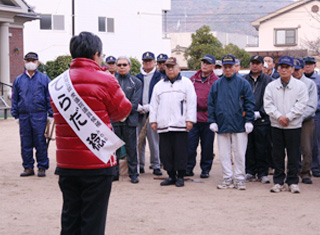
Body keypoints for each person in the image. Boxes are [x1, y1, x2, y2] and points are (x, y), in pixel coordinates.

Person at [50, 32, 132, 234]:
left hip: (67, 163)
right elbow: (122, 111)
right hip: (97, 161)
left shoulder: (57, 84)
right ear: (96, 54)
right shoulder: (106, 80)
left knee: (70, 218)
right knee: (93, 221)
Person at [208, 54, 255, 190]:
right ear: (222, 68)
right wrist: (212, 121)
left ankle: (240, 178)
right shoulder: (217, 85)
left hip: (239, 124)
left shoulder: (243, 83)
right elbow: (211, 104)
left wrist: (249, 120)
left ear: (235, 67)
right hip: (222, 124)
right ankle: (227, 178)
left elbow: (249, 103)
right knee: (224, 154)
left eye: (230, 67)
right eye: (225, 67)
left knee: (240, 153)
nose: (228, 69)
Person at [150, 57, 197, 187]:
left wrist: (190, 120)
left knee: (180, 151)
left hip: (180, 124)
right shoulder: (159, 86)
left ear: (178, 68)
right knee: (166, 152)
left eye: (172, 67)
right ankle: (171, 175)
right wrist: (153, 120)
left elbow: (192, 103)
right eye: (168, 67)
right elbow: (154, 105)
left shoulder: (186, 83)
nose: (170, 70)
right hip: (164, 124)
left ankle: (180, 176)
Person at [264, 56, 308, 194]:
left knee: (293, 154)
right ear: (278, 68)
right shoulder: (271, 86)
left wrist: (288, 117)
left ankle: (293, 181)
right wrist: (278, 116)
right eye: (281, 67)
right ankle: (278, 182)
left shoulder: (300, 86)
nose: (284, 70)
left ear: (292, 69)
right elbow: (268, 104)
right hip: (276, 125)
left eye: (287, 67)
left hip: (293, 126)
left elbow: (301, 104)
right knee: (277, 154)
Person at [11, 52, 53, 177]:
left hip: (39, 115)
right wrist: (15, 115)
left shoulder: (44, 79)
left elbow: (49, 97)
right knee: (25, 142)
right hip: (24, 116)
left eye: (33, 61)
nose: (30, 63)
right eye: (28, 60)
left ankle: (42, 167)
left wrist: (50, 114)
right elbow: (15, 99)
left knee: (40, 141)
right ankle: (28, 167)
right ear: (24, 62)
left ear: (37, 63)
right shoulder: (18, 80)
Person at [186, 54, 218, 178]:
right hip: (193, 118)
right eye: (203, 62)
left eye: (208, 63)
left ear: (213, 66)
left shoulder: (216, 81)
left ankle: (205, 169)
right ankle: (188, 168)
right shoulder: (193, 79)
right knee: (190, 145)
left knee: (207, 146)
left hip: (208, 118)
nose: (204, 65)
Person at [243, 55, 273, 184]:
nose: (255, 65)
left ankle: (262, 172)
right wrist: (247, 113)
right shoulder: (243, 80)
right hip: (246, 119)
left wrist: (260, 112)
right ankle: (250, 171)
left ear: (262, 65)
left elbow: (270, 100)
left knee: (262, 146)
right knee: (248, 146)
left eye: (258, 63)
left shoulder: (268, 81)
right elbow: (241, 98)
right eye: (253, 63)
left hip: (263, 120)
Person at [113, 56, 142, 183]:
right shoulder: (111, 81)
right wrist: (118, 115)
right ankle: (114, 173)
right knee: (114, 148)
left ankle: (133, 174)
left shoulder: (136, 82)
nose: (122, 67)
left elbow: (135, 102)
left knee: (131, 148)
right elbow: (110, 101)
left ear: (129, 66)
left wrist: (125, 114)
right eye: (119, 65)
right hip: (114, 120)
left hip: (130, 120)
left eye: (125, 64)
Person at [136, 51, 162, 176]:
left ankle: (156, 164)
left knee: (154, 140)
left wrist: (150, 107)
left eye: (150, 61)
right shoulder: (137, 77)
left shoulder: (159, 77)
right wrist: (138, 106)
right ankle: (140, 165)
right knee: (139, 139)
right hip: (139, 113)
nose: (147, 63)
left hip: (153, 113)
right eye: (145, 61)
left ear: (154, 62)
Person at [292, 58, 318, 184]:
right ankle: (293, 171)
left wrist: (299, 117)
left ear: (302, 70)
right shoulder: (287, 82)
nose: (296, 72)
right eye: (294, 70)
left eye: (298, 70)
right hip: (289, 120)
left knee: (307, 148)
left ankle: (306, 172)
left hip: (306, 119)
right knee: (292, 148)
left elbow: (312, 105)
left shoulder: (310, 84)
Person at [303, 56, 320, 178]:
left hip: (316, 114)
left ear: (314, 66)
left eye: (310, 64)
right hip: (299, 114)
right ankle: (301, 168)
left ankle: (315, 167)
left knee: (314, 144)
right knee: (300, 145)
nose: (307, 66)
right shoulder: (297, 79)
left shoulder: (318, 79)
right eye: (306, 64)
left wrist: (313, 107)